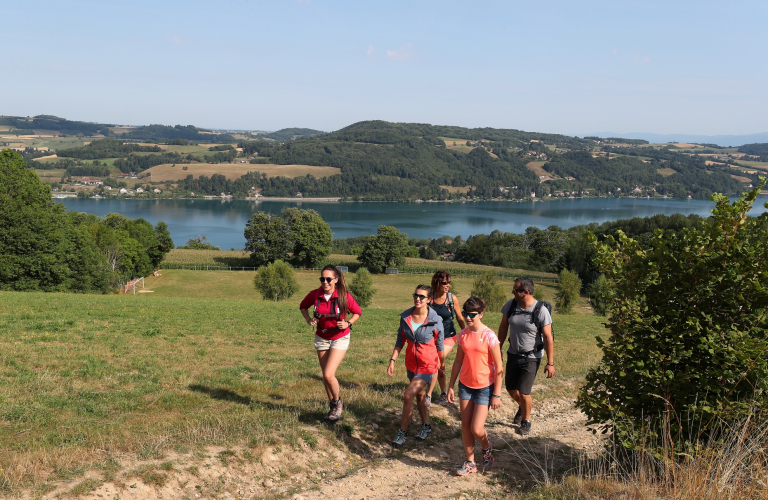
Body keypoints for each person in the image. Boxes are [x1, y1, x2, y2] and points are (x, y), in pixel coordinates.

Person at [447, 296, 503, 475]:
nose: (468, 318)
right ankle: (470, 462)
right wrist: (450, 386)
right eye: (465, 314)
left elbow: (499, 367)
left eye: (472, 314)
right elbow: (457, 362)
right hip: (465, 385)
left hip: (485, 387)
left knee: (476, 428)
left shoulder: (489, 336)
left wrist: (497, 394)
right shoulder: (463, 335)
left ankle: (486, 447)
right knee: (465, 425)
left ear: (481, 314)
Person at [299, 265, 362, 423]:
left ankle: (337, 403)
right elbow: (303, 306)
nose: (325, 282)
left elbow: (357, 312)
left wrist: (348, 323)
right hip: (321, 337)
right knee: (326, 377)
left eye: (328, 279)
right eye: (322, 279)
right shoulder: (315, 295)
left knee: (328, 374)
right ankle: (333, 408)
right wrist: (309, 319)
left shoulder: (343, 296)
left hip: (340, 337)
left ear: (336, 280)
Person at [388, 284, 445, 447]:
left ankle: (402, 434)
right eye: (416, 295)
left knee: (408, 395)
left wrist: (442, 366)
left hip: (428, 364)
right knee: (420, 396)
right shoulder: (406, 316)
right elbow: (400, 340)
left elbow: (440, 344)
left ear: (429, 300)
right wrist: (392, 360)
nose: (418, 299)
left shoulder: (435, 320)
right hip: (411, 364)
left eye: (422, 296)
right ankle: (426, 426)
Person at [497, 278, 555, 436]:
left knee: (524, 392)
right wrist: (498, 348)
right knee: (510, 389)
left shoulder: (540, 310)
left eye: (515, 290)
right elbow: (503, 327)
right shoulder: (511, 305)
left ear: (526, 292)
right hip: (513, 353)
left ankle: (526, 421)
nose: (512, 292)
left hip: (532, 357)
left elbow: (548, 338)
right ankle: (523, 406)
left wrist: (550, 363)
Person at [426, 270, 466, 407]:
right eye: (444, 283)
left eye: (449, 283)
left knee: (437, 361)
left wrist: (466, 333)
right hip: (432, 337)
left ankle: (436, 393)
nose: (447, 285)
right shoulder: (429, 297)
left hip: (448, 336)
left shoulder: (451, 298)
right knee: (436, 365)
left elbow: (460, 317)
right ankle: (440, 391)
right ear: (437, 283)